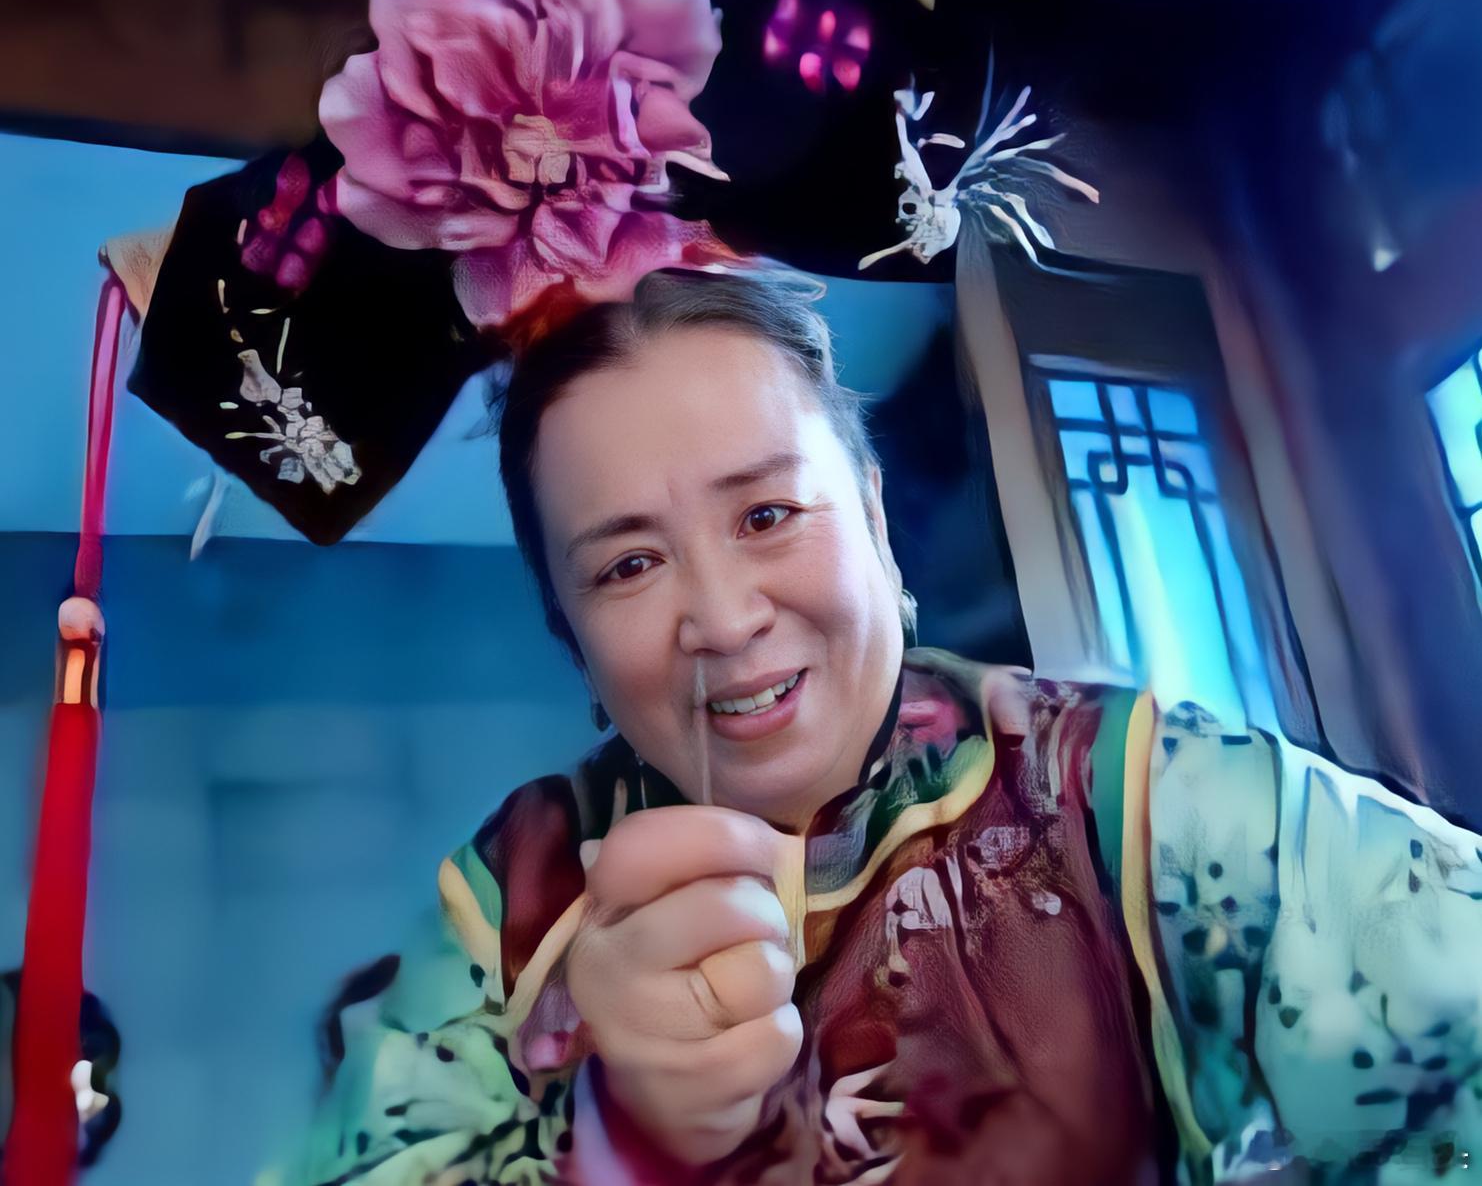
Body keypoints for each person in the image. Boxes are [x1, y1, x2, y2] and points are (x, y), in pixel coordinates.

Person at [279, 269, 1482, 1186]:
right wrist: (615, 1141)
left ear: (874, 517)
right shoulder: (514, 900)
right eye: (629, 564)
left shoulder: (1123, 791)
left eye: (767, 514)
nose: (724, 619)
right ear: (572, 637)